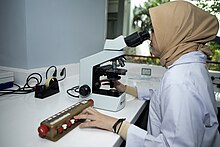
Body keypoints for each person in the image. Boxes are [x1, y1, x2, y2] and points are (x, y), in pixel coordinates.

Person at [74, 1, 220, 146]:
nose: (150, 37)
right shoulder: (191, 68)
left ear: (172, 34)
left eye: (155, 31)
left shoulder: (179, 81)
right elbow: (161, 96)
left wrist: (118, 125)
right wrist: (125, 89)